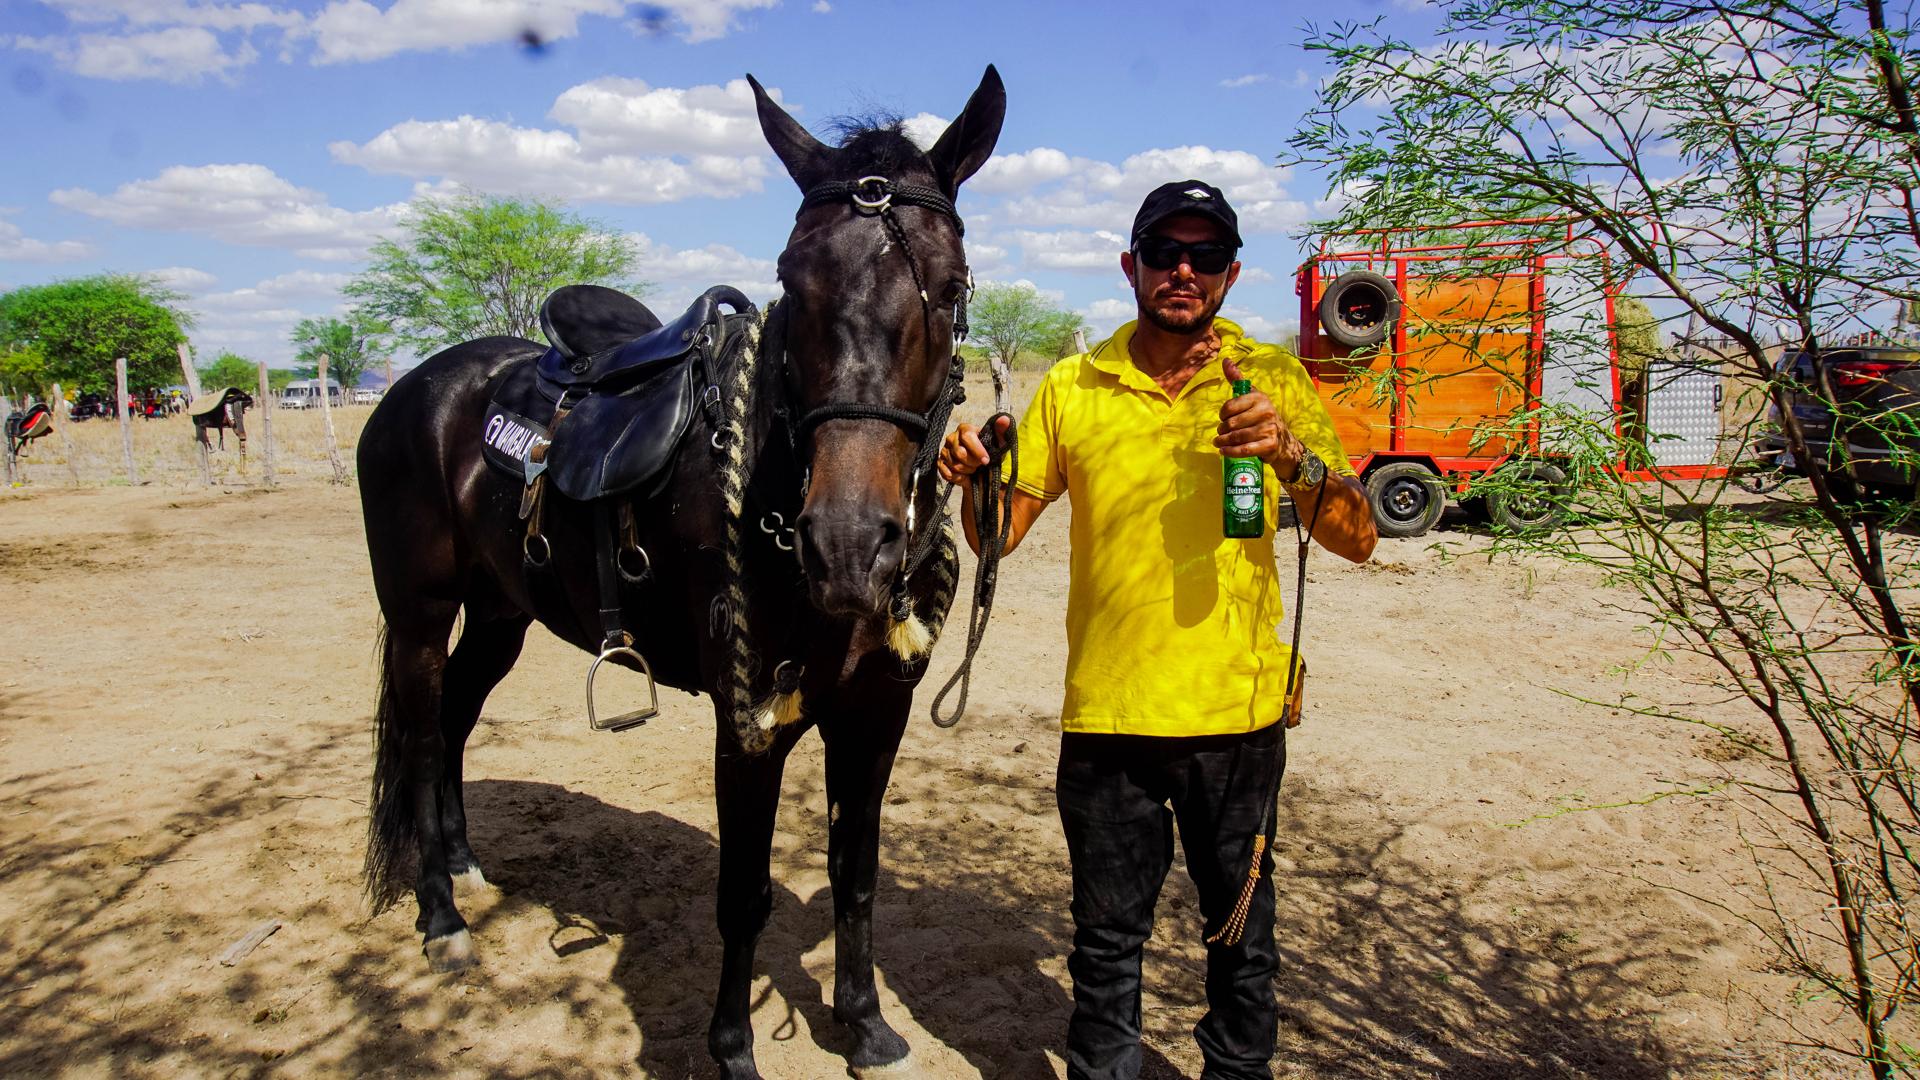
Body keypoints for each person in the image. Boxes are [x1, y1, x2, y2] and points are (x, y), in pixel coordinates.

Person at [938, 180, 1377, 1079]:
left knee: (1242, 940)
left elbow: (1358, 538)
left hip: (1237, 716)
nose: (1184, 269)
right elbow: (996, 539)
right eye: (1164, 252)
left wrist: (1290, 454)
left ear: (1230, 274)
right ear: (1129, 265)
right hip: (1109, 717)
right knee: (1105, 944)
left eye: (1205, 254)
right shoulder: (1073, 386)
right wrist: (975, 480)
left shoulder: (1272, 377)